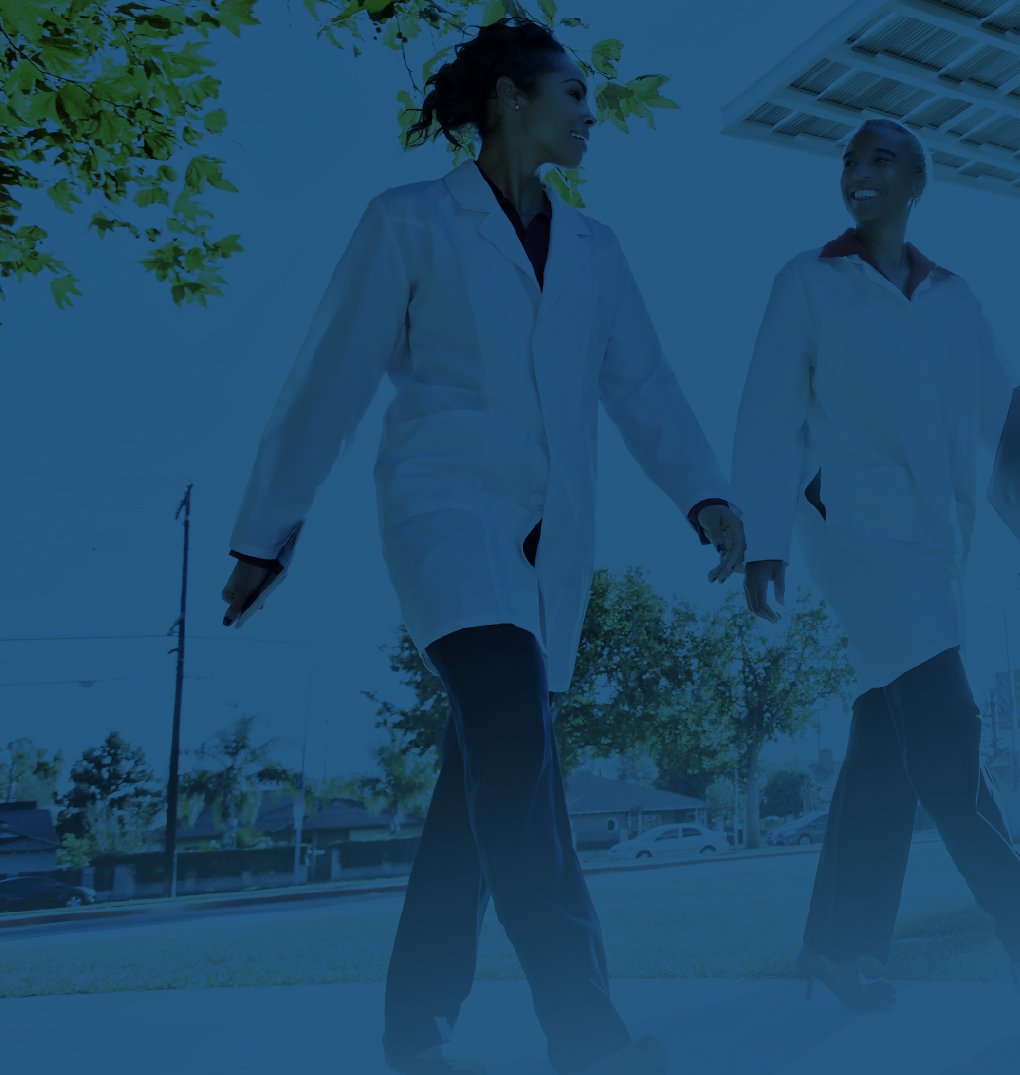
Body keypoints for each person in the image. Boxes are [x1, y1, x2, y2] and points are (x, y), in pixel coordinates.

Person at [218, 18, 742, 1075]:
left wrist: (706, 495)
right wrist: (266, 534)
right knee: (516, 754)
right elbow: (329, 379)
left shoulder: (595, 248)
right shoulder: (409, 221)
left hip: (552, 547)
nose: (591, 114)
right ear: (510, 98)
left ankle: (415, 1027)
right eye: (574, 93)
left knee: (484, 782)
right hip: (446, 520)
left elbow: (644, 386)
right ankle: (585, 1030)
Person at [730, 117, 1020, 1022]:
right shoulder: (807, 281)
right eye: (849, 159)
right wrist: (764, 535)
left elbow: (1003, 404)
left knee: (887, 743)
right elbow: (768, 408)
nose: (859, 171)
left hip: (935, 547)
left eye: (881, 159)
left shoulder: (954, 297)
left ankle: (835, 943)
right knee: (946, 727)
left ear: (917, 182)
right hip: (853, 534)